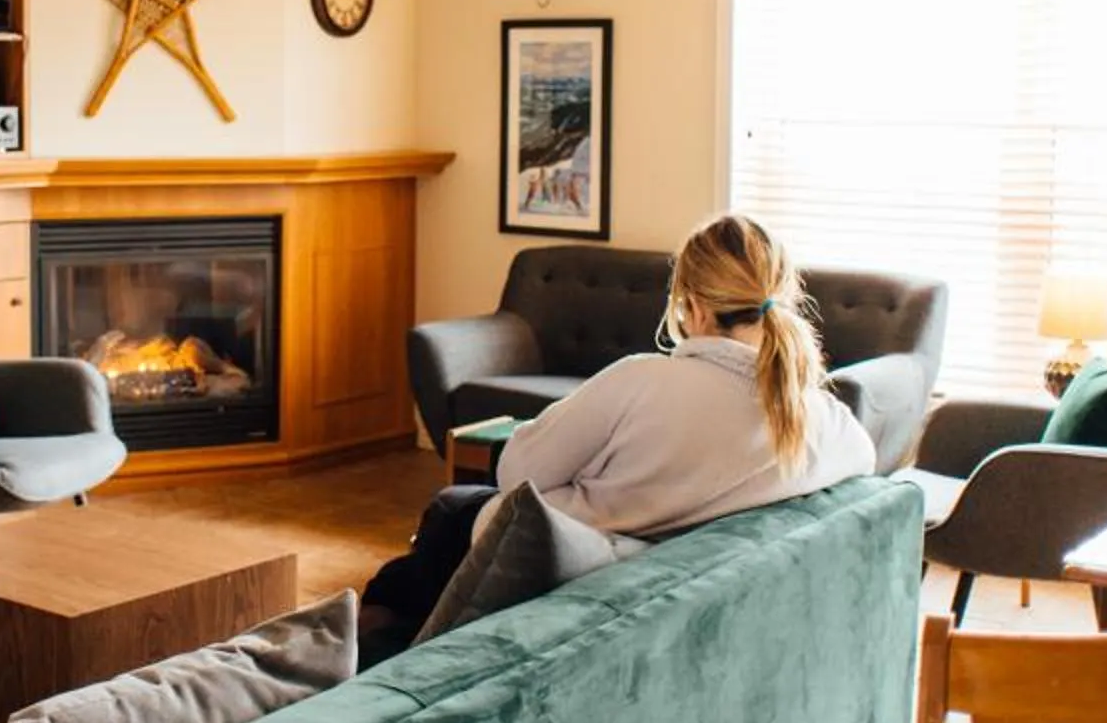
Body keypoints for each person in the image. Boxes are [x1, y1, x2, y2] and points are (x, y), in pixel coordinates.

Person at [360, 214, 876, 660]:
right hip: (656, 569)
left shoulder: (642, 380)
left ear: (694, 308)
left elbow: (516, 472)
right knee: (442, 529)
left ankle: (366, 656)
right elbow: (865, 456)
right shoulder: (818, 419)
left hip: (576, 558)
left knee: (446, 515)